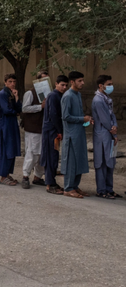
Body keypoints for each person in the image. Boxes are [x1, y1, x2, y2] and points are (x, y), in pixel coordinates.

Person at [61, 71, 93, 199]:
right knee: (71, 162)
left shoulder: (78, 95)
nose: (83, 83)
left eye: (82, 80)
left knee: (79, 160)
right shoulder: (67, 96)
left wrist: (86, 119)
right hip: (71, 134)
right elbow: (65, 116)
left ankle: (75, 186)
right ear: (72, 82)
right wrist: (82, 119)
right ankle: (68, 188)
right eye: (80, 81)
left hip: (79, 132)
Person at [20, 70, 49, 189]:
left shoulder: (49, 93)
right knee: (32, 153)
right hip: (33, 128)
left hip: (44, 127)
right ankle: (25, 176)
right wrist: (40, 107)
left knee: (42, 154)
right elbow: (25, 108)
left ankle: (38, 176)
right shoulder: (30, 93)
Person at [92, 75, 120, 199]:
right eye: (108, 84)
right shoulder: (98, 100)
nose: (110, 86)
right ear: (101, 86)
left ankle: (109, 188)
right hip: (102, 134)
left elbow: (112, 115)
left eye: (111, 84)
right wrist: (112, 130)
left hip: (110, 133)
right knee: (102, 163)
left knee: (111, 162)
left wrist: (115, 126)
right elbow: (104, 118)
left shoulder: (107, 99)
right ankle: (101, 190)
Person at [40, 75, 68, 195]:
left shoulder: (60, 95)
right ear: (56, 84)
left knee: (54, 156)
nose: (64, 87)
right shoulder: (53, 95)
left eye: (66, 85)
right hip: (51, 130)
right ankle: (49, 183)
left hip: (54, 130)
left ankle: (52, 181)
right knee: (50, 157)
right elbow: (54, 115)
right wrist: (59, 130)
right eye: (62, 85)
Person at [0, 74, 22, 186]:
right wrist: (15, 112)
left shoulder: (12, 93)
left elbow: (19, 108)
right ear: (5, 82)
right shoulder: (2, 94)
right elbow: (7, 110)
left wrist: (16, 98)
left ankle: (7, 173)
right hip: (4, 124)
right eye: (10, 81)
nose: (12, 84)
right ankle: (3, 176)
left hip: (12, 124)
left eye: (14, 81)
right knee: (5, 149)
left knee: (12, 148)